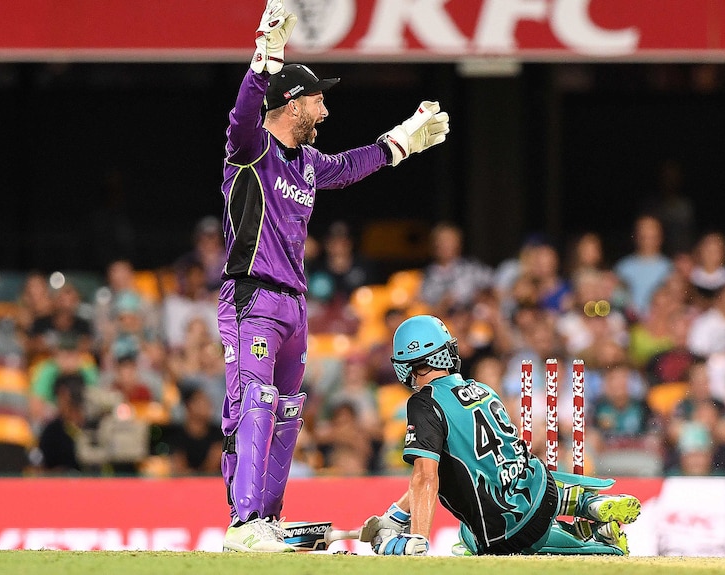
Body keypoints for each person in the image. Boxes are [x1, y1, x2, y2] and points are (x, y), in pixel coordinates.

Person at [218, 1, 450, 553]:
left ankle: (267, 520)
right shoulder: (252, 151)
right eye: (318, 97)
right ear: (291, 103)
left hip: (293, 305)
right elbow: (241, 117)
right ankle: (245, 522)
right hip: (253, 296)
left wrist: (400, 142)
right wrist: (265, 60)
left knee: (289, 411)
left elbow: (348, 167)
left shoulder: (305, 164)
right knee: (256, 400)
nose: (325, 107)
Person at [358, 315, 640, 556]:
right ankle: (589, 504)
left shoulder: (424, 403)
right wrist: (396, 513)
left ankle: (597, 542)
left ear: (406, 364)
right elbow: (452, 464)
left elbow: (426, 475)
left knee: (473, 536)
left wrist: (418, 538)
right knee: (520, 498)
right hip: (542, 486)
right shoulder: (482, 389)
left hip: (508, 527)